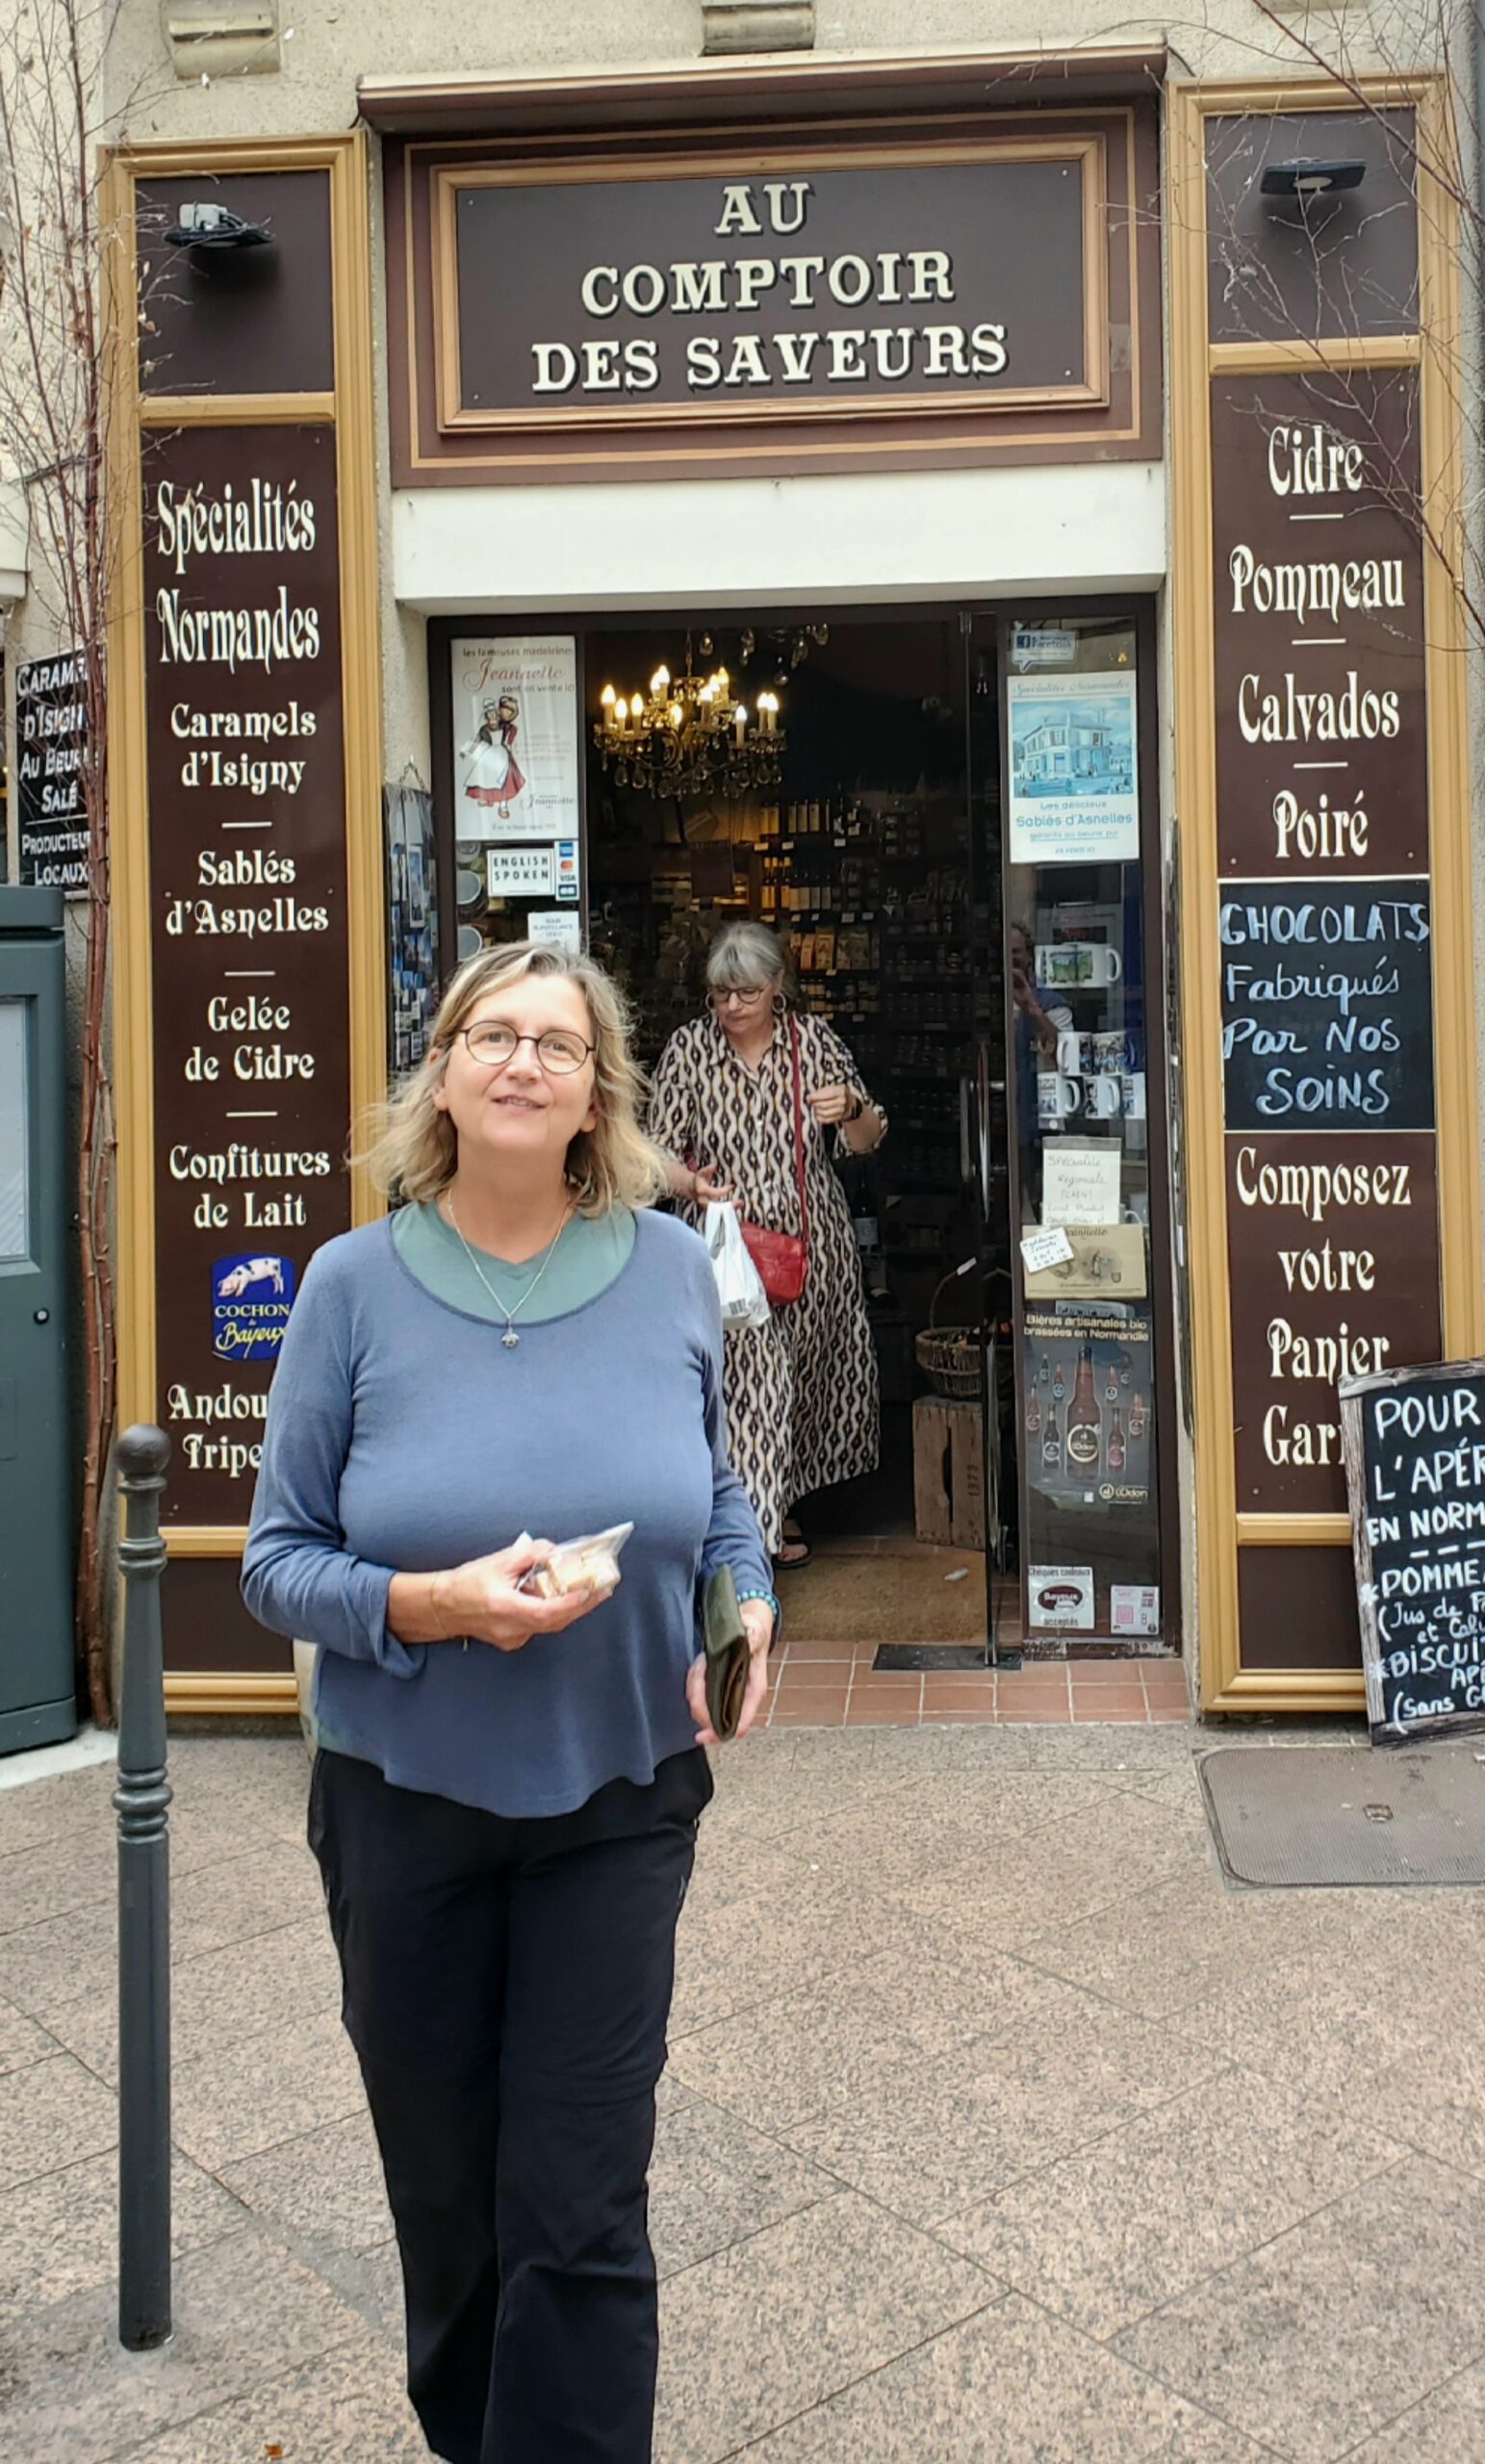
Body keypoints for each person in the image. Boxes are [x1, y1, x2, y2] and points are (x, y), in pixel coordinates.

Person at [242, 940, 776, 2464]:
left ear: (599, 1092)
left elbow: (713, 1497)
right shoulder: (350, 1288)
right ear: (442, 1075)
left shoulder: (669, 1269)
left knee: (581, 2202)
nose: (523, 1062)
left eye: (558, 1042)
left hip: (618, 1796)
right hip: (401, 1809)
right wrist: (432, 1606)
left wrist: (745, 1601)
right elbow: (276, 1565)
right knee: (450, 2202)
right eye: (491, 1035)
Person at [648, 920, 886, 1570]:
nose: (731, 1007)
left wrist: (853, 1107)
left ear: (778, 986)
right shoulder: (689, 1050)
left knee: (800, 1382)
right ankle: (747, 1552)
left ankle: (774, 1503)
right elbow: (654, 1153)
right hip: (724, 1250)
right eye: (720, 994)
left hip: (811, 1249)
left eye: (746, 993)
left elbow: (865, 1143)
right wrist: (690, 1185)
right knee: (750, 1385)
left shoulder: (813, 1043)